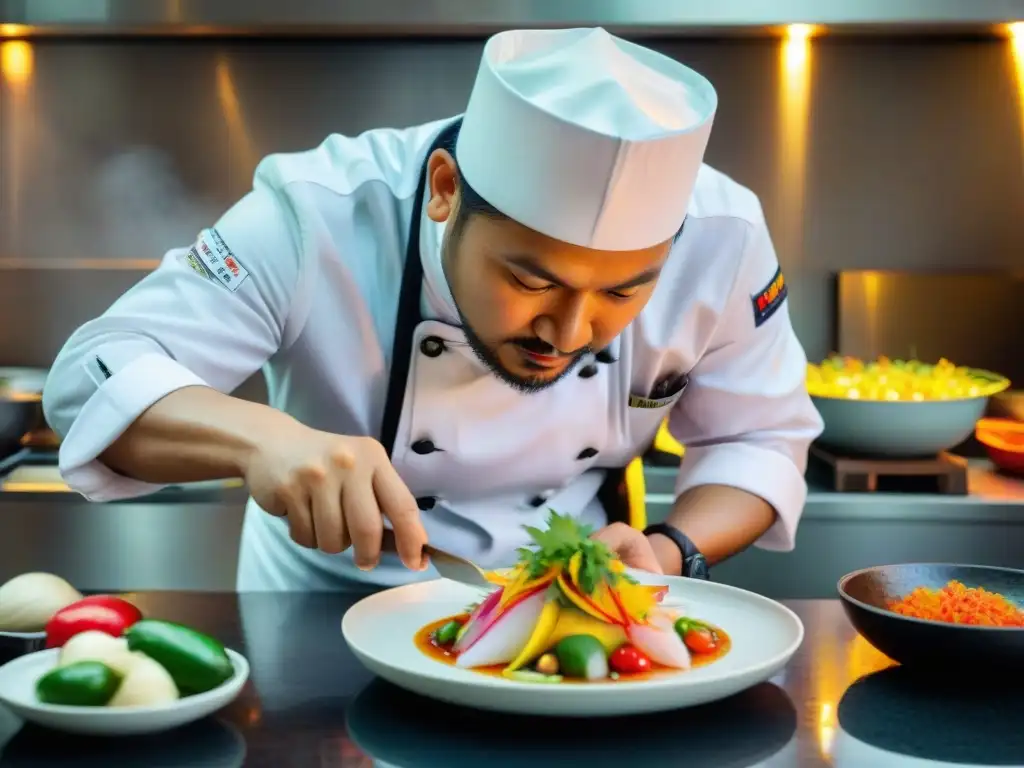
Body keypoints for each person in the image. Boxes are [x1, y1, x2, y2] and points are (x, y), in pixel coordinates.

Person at [42, 27, 824, 591]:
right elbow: (88, 378)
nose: (571, 332)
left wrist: (671, 547)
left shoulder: (726, 238)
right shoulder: (318, 213)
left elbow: (760, 436)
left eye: (623, 291)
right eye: (532, 280)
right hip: (320, 610)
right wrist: (261, 439)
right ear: (445, 190)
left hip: (569, 602)